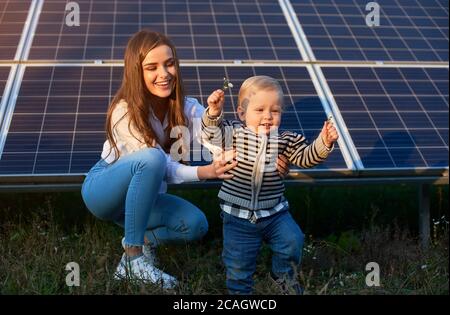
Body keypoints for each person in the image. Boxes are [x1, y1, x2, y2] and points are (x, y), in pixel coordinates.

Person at [80, 30, 290, 290]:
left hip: (143, 199)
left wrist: (270, 155)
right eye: (152, 67)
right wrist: (204, 172)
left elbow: (221, 138)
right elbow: (159, 165)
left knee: (195, 225)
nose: (164, 73)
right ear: (136, 71)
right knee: (152, 158)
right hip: (104, 191)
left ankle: (141, 242)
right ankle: (133, 260)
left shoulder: (187, 107)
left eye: (169, 64)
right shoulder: (124, 111)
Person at [202, 75, 339, 294]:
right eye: (259, 110)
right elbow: (210, 134)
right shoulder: (233, 133)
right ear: (241, 113)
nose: (267, 117)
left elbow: (306, 158)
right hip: (238, 216)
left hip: (275, 212)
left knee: (293, 240)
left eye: (274, 111)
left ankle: (282, 277)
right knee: (238, 266)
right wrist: (213, 113)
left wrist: (324, 142)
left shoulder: (286, 139)